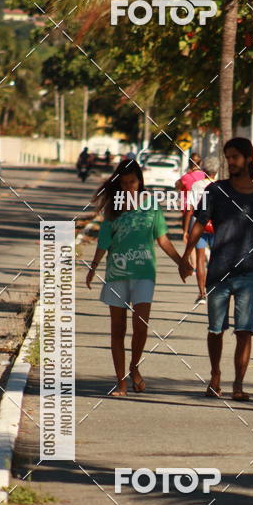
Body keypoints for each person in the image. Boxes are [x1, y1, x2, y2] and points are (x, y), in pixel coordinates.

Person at [86, 159, 192, 397]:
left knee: (140, 327)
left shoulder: (151, 205)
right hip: (116, 274)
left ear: (140, 181)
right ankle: (121, 381)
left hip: (144, 273)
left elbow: (162, 239)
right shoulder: (113, 207)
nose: (128, 187)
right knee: (117, 329)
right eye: (123, 183)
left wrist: (181, 263)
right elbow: (104, 241)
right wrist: (93, 267)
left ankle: (134, 366)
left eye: (132, 182)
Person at [179, 138, 253, 401]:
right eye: (227, 157)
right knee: (215, 329)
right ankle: (215, 375)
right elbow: (200, 223)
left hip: (246, 274)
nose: (230, 162)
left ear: (248, 159)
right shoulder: (215, 190)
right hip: (218, 271)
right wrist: (186, 255)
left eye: (235, 157)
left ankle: (239, 385)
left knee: (245, 331)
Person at [186, 157, 218, 303]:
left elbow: (191, 208)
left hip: (199, 226)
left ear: (203, 170)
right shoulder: (220, 186)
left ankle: (202, 293)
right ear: (216, 171)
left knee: (200, 258)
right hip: (216, 227)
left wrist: (187, 229)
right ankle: (213, 291)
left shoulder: (196, 185)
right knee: (215, 259)